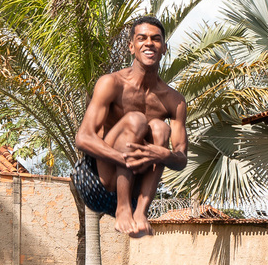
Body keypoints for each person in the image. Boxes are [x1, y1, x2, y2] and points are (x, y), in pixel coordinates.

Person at [72, 16, 187, 238]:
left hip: (136, 189)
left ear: (164, 48)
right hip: (99, 183)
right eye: (141, 38)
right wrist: (123, 157)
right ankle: (122, 208)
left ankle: (140, 214)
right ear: (131, 47)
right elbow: (83, 138)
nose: (149, 43)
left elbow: (181, 158)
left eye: (155, 39)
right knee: (136, 120)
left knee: (160, 129)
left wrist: (165, 155)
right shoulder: (112, 83)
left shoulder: (175, 100)